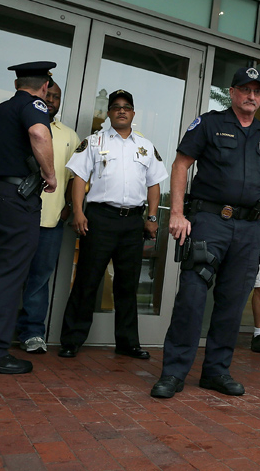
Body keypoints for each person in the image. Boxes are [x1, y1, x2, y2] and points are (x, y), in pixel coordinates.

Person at [150, 66, 260, 399]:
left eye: (257, 91)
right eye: (246, 89)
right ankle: (173, 373)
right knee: (192, 299)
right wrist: (179, 214)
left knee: (232, 304)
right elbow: (181, 164)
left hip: (248, 230)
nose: (251, 96)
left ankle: (216, 372)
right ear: (232, 92)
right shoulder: (210, 123)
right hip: (209, 223)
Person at [58, 89, 167, 359]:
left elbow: (154, 184)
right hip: (100, 219)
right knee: (87, 280)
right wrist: (79, 212)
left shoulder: (145, 146)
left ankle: (128, 343)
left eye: (126, 107)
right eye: (115, 107)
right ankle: (71, 341)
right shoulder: (94, 142)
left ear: (133, 113)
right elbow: (79, 178)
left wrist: (152, 217)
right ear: (108, 112)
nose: (121, 110)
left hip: (132, 223)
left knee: (127, 285)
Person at [0, 61, 57, 374]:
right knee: (9, 275)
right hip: (16, 200)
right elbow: (38, 132)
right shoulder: (35, 104)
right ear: (45, 86)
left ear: (16, 84)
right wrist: (50, 175)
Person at [17, 80, 80, 354]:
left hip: (51, 220)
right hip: (17, 217)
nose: (52, 100)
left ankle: (32, 334)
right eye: (49, 95)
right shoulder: (22, 124)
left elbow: (75, 176)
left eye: (56, 97)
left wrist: (68, 203)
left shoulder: (70, 135)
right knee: (6, 274)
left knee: (39, 279)